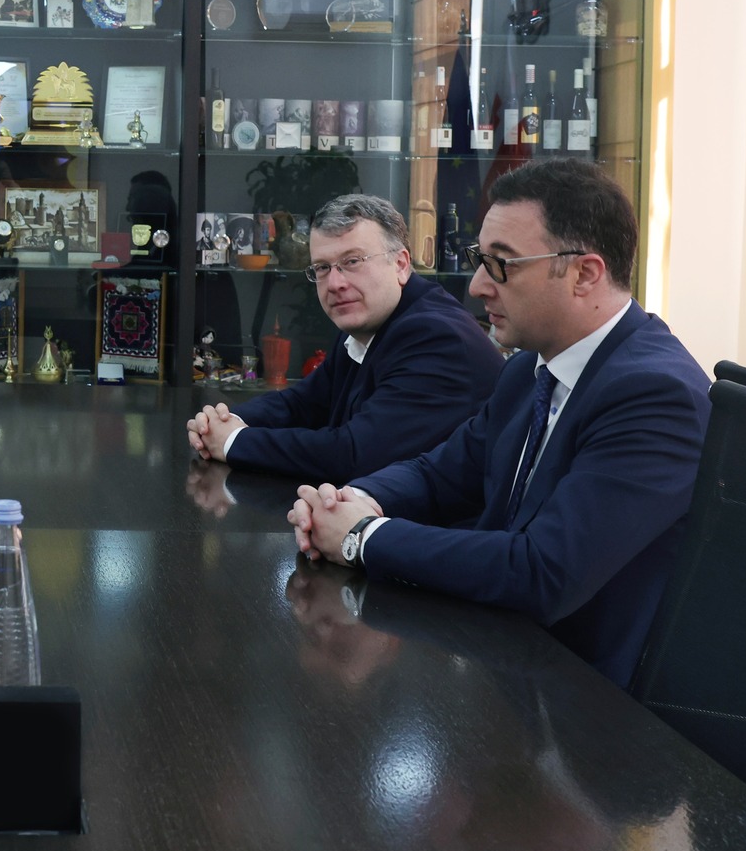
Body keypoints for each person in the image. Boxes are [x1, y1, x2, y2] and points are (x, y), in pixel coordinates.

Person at [287, 160, 710, 688]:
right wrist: (350, 499)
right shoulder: (529, 369)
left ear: (585, 274)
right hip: (497, 653)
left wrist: (361, 537)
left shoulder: (655, 395)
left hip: (584, 697)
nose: (477, 286)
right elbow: (439, 475)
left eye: (501, 264)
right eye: (479, 259)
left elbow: (542, 572)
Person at [186, 194, 504, 480]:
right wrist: (224, 420)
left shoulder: (435, 336)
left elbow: (355, 455)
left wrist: (232, 440)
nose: (336, 283)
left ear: (401, 264)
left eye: (352, 262)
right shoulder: (368, 320)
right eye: (322, 268)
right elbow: (303, 403)